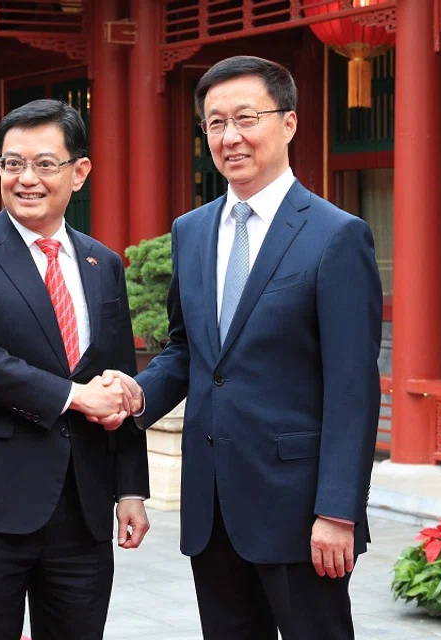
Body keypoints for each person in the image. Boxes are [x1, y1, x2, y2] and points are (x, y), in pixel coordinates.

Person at [102, 56, 382, 639]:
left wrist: (338, 510)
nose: (230, 137)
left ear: (289, 123)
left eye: (246, 118)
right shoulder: (192, 230)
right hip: (213, 501)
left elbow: (353, 388)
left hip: (300, 507)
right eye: (214, 123)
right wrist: (136, 395)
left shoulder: (336, 235)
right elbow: (187, 350)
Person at [0, 99, 150, 640]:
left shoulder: (104, 264)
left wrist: (130, 489)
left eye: (45, 164)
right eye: (12, 163)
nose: (26, 179)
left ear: (79, 172)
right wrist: (75, 397)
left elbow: (118, 379)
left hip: (85, 504)